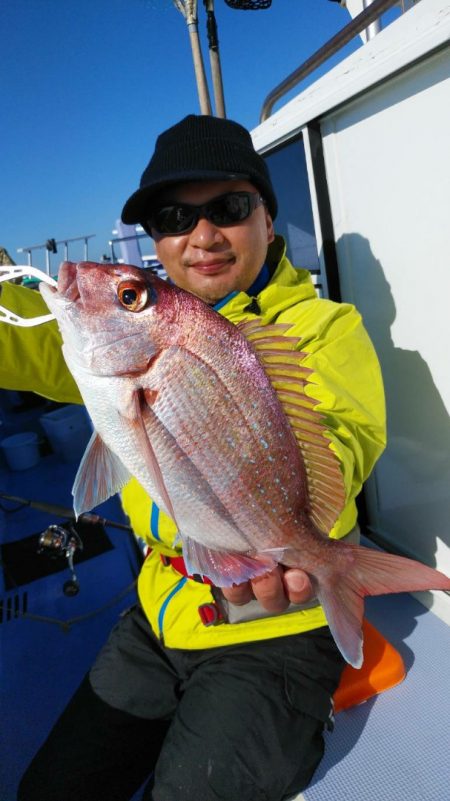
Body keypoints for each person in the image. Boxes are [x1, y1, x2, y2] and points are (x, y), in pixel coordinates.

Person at [5, 114, 386, 801]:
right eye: (175, 217)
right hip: (159, 611)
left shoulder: (325, 328)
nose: (203, 235)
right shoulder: (115, 342)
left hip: (278, 625)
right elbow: (19, 336)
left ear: (267, 216)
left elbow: (342, 435)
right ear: (157, 240)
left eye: (229, 208)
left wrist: (296, 539)